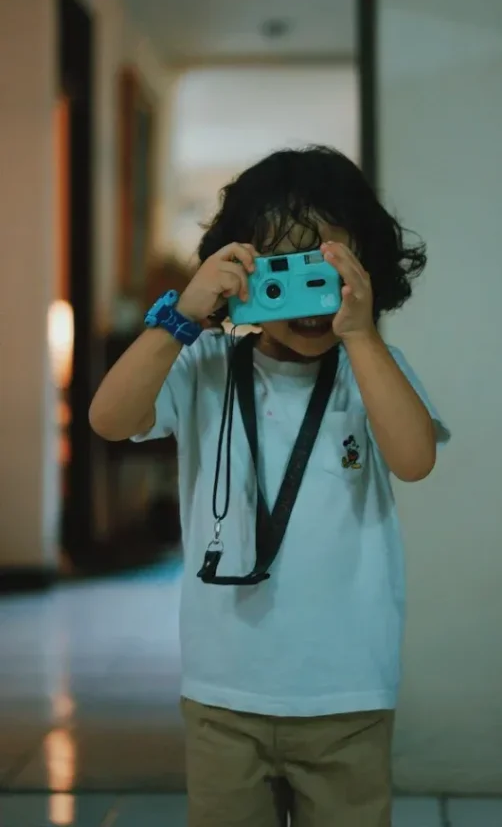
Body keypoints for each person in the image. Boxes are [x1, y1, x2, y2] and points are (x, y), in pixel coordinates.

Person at [90, 145, 450, 827]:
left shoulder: (371, 369)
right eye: (282, 269)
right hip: (225, 691)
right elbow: (109, 419)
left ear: (365, 270)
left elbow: (413, 459)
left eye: (329, 270)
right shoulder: (204, 366)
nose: (308, 298)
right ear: (237, 270)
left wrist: (364, 338)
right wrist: (181, 318)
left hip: (346, 692)